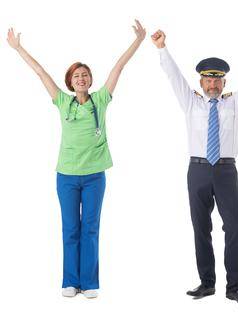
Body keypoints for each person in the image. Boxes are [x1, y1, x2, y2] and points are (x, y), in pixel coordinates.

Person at [7, 20, 144, 300]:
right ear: (70, 82)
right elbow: (39, 71)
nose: (81, 79)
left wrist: (138, 41)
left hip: (95, 177)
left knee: (90, 229)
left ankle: (89, 283)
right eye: (76, 76)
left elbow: (118, 67)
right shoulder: (62, 101)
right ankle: (70, 281)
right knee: (70, 229)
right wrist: (18, 48)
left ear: (90, 80)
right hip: (67, 177)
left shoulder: (101, 100)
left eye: (85, 75)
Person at [151, 28, 238, 307]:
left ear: (223, 83)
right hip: (197, 170)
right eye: (208, 79)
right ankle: (207, 283)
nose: (212, 84)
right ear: (201, 81)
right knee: (201, 227)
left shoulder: (234, 103)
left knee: (234, 227)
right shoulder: (191, 103)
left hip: (225, 170)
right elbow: (173, 76)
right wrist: (162, 48)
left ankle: (234, 287)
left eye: (217, 79)